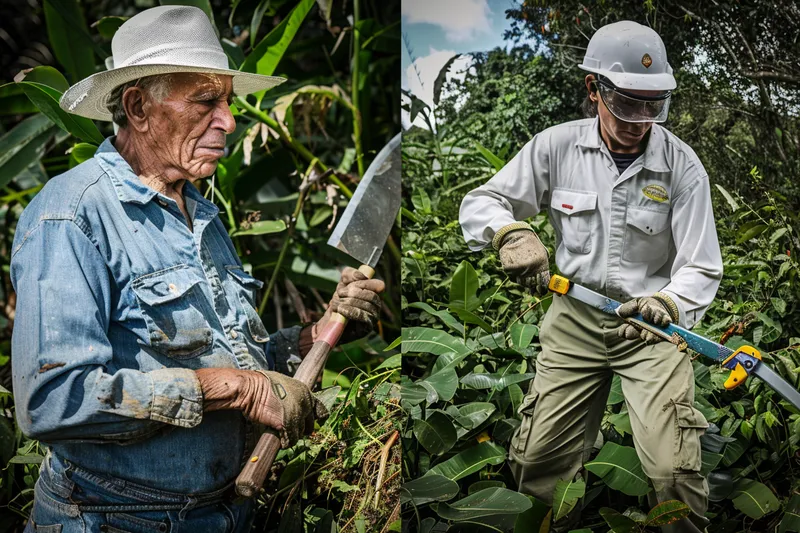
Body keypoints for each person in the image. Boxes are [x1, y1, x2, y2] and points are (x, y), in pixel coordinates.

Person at [12, 6, 384, 532]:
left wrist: (317, 333)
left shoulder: (201, 214)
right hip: (116, 520)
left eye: (228, 102)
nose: (229, 122)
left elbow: (233, 350)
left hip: (224, 513)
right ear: (139, 108)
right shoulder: (72, 215)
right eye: (207, 101)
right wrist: (241, 389)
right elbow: (51, 401)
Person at [459, 20, 723, 532]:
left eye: (653, 105)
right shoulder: (555, 147)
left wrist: (669, 304)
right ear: (593, 89)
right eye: (627, 103)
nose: (641, 119)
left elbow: (701, 264)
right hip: (574, 321)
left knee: (673, 472)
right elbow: (482, 201)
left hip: (652, 330)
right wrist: (510, 233)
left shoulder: (683, 167)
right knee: (539, 466)